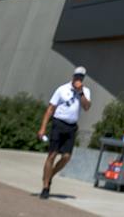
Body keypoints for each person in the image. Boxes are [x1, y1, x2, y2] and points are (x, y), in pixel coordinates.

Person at [37, 66, 90, 199]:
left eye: (81, 77)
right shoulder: (62, 89)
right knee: (52, 155)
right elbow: (50, 109)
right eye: (77, 76)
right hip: (58, 124)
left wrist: (81, 93)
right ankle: (45, 187)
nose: (79, 79)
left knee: (66, 157)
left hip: (71, 126)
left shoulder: (85, 91)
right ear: (73, 77)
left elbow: (87, 107)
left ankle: (49, 176)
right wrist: (43, 128)